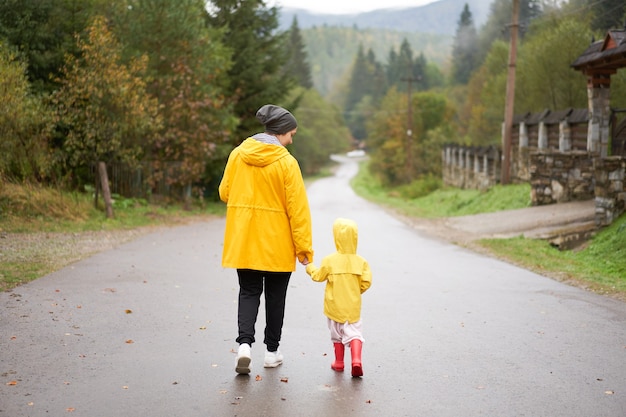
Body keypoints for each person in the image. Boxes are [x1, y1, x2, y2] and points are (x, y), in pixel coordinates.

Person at [219, 104, 313, 375]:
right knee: (275, 297)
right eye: (291, 134)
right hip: (277, 244)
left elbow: (225, 192)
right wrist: (304, 248)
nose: (291, 140)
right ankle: (271, 352)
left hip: (245, 240)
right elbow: (298, 210)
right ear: (281, 132)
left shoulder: (238, 154)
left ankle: (244, 346)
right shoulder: (287, 162)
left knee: (248, 292)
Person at [305, 218, 372, 377]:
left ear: (336, 238)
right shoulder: (361, 262)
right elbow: (367, 282)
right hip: (352, 307)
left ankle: (339, 363)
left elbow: (318, 276)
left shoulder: (329, 260)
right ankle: (356, 360)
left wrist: (309, 267)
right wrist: (355, 291)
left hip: (334, 307)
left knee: (336, 334)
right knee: (354, 333)